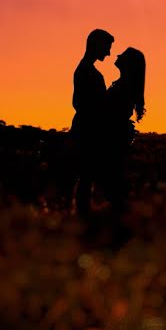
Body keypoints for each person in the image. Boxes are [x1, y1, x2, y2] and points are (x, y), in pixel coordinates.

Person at [71, 28, 114, 217]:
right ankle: (83, 214)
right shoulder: (88, 72)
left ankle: (84, 213)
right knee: (88, 174)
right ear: (96, 45)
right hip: (88, 130)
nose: (108, 53)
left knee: (87, 175)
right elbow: (79, 103)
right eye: (106, 47)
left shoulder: (86, 70)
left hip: (86, 128)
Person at [102, 47, 146, 217]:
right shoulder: (124, 85)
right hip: (117, 137)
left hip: (114, 138)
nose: (118, 55)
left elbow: (111, 113)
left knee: (113, 180)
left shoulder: (124, 87)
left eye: (123, 55)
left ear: (129, 64)